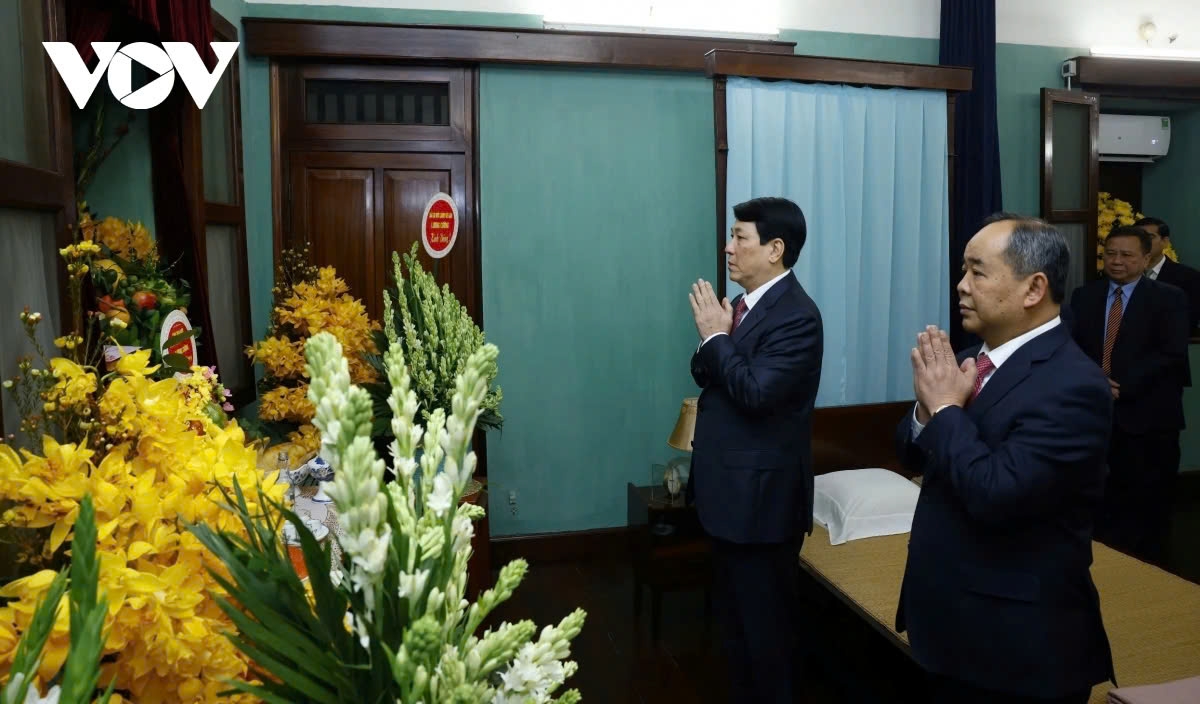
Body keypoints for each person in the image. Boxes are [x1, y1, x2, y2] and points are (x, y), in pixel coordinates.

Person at [895, 213, 1114, 704]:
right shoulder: (981, 357)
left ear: (1033, 288)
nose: (961, 286)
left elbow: (998, 494)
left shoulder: (1072, 384)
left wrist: (946, 407)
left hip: (1015, 644)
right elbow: (913, 451)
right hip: (953, 622)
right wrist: (927, 409)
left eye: (977, 271)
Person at [686, 196, 822, 703]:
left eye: (740, 237)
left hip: (762, 506)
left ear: (775, 249)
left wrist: (718, 339)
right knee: (737, 635)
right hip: (730, 498)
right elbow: (704, 373)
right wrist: (716, 338)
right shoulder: (741, 306)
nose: (729, 247)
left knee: (767, 641)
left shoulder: (797, 317)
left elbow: (758, 394)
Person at [1068, 225, 1190, 565]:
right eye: (1110, 254)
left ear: (1146, 258)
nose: (1117, 261)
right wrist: (1096, 381)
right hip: (1097, 418)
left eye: (1126, 255)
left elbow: (1171, 353)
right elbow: (1071, 348)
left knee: (1148, 509)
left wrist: (1121, 384)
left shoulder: (1169, 298)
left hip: (1149, 421)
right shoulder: (1084, 296)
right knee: (1101, 505)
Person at [1133, 216, 1200, 332]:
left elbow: (1189, 321)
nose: (1142, 242)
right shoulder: (1124, 274)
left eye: (1149, 237)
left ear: (1165, 241)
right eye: (1138, 238)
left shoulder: (1189, 277)